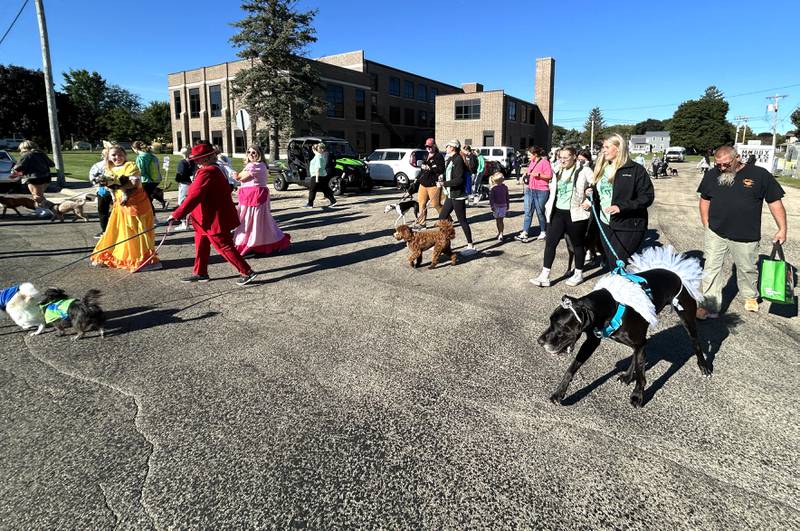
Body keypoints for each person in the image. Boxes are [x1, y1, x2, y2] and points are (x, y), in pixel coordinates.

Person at [696, 145, 787, 318]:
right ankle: (709, 305)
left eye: (726, 164)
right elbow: (704, 199)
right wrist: (705, 222)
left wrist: (782, 228)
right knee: (711, 268)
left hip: (746, 234)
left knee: (747, 268)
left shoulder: (760, 175)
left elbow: (775, 202)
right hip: (716, 232)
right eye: (718, 165)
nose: (722, 168)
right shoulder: (712, 175)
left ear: (737, 158)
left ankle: (750, 296)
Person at [168, 142, 257, 286]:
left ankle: (247, 272)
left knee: (224, 246)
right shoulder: (213, 169)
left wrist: (177, 214)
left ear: (208, 158)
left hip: (213, 219)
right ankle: (200, 273)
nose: (195, 161)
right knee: (201, 246)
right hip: (203, 218)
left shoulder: (208, 172)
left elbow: (194, 196)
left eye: (198, 158)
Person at [530, 147, 593, 287]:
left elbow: (596, 185)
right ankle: (544, 275)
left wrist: (589, 201)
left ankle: (578, 273)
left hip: (575, 213)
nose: (563, 160)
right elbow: (545, 173)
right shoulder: (557, 168)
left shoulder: (585, 170)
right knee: (550, 243)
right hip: (557, 212)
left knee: (577, 245)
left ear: (574, 157)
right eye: (560, 157)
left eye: (566, 157)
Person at [588, 134, 654, 269]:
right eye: (603, 147)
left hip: (628, 225)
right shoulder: (602, 167)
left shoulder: (636, 170)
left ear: (618, 148)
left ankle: (627, 287)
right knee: (612, 262)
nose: (603, 150)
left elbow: (647, 197)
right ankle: (618, 287)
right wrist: (590, 193)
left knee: (619, 261)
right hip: (605, 223)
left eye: (607, 147)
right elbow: (599, 191)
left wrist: (621, 207)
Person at [92, 146, 161, 271]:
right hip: (120, 205)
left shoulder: (130, 166)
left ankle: (142, 260)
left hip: (136, 204)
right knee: (118, 231)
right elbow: (111, 187)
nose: (117, 157)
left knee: (136, 232)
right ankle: (114, 256)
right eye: (113, 155)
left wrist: (119, 186)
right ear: (108, 157)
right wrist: (110, 188)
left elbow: (134, 184)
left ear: (125, 154)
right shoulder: (109, 169)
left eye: (119, 154)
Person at [232, 145, 290, 257]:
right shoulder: (256, 165)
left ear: (259, 154)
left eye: (254, 152)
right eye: (249, 152)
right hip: (250, 197)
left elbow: (240, 178)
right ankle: (253, 242)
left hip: (255, 197)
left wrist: (233, 174)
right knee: (255, 221)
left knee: (252, 221)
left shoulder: (256, 166)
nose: (251, 154)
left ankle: (251, 244)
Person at [437, 139, 477, 255]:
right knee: (442, 217)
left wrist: (443, 184)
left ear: (453, 147)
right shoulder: (451, 159)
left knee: (462, 220)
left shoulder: (458, 159)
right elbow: (449, 174)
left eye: (448, 146)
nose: (446, 148)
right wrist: (442, 178)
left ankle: (470, 245)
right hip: (451, 194)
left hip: (458, 195)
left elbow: (459, 180)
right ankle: (443, 242)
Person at [516, 146, 552, 242]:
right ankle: (525, 232)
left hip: (541, 191)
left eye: (529, 154)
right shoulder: (532, 162)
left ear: (535, 154)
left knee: (540, 212)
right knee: (528, 212)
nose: (527, 156)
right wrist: (525, 174)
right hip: (530, 190)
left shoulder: (545, 162)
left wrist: (539, 175)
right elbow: (529, 171)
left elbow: (549, 176)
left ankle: (543, 231)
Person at [9, 140, 54, 215]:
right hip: (46, 177)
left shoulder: (27, 155)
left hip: (34, 178)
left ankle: (51, 208)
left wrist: (13, 172)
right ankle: (39, 210)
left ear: (23, 148)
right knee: (39, 195)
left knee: (37, 196)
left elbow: (18, 167)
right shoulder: (41, 154)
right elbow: (52, 164)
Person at [414, 138, 445, 228]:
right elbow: (422, 170)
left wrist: (430, 168)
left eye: (430, 146)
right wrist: (417, 178)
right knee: (421, 203)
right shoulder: (425, 155)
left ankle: (447, 218)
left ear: (434, 146)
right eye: (427, 146)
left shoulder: (438, 156)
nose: (429, 148)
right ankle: (422, 223)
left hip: (433, 184)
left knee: (436, 204)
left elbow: (441, 169)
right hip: (423, 184)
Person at [131, 141, 161, 216]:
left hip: (145, 181)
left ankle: (152, 217)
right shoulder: (152, 156)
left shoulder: (140, 157)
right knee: (149, 199)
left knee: (147, 201)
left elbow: (141, 171)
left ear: (135, 149)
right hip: (155, 180)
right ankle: (153, 217)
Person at [88, 148, 112, 239]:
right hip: (105, 192)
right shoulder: (99, 165)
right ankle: (107, 230)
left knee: (103, 211)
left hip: (105, 192)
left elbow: (92, 178)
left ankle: (105, 230)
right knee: (106, 211)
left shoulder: (98, 165)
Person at [305, 142, 336, 208]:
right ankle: (333, 201)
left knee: (312, 190)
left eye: (318, 148)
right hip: (322, 175)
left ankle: (310, 204)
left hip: (316, 176)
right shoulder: (320, 156)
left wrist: (316, 178)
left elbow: (318, 168)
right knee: (325, 189)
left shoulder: (318, 157)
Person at [174, 146, 195, 232]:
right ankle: (188, 222)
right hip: (192, 184)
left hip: (185, 184)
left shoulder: (182, 163)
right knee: (190, 204)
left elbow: (180, 176)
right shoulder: (193, 162)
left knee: (182, 203)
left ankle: (184, 224)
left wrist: (178, 180)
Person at [489, 171, 509, 241]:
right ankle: (500, 232)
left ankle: (500, 233)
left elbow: (507, 196)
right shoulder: (496, 188)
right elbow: (492, 199)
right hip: (500, 206)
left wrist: (492, 206)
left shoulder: (496, 188)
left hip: (500, 206)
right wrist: (508, 204)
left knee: (499, 221)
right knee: (499, 221)